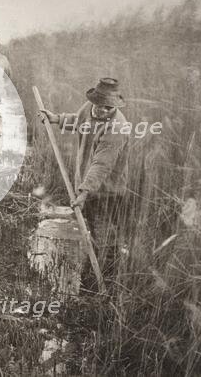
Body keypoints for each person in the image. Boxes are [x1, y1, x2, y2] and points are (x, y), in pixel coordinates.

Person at [39, 78, 130, 272]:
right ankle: (94, 271)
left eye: (108, 108)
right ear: (95, 100)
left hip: (107, 190)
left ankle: (104, 280)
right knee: (93, 231)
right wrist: (57, 118)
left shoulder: (117, 127)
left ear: (114, 106)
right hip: (87, 185)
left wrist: (84, 192)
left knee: (105, 238)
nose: (103, 110)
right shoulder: (89, 108)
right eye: (100, 106)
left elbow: (101, 165)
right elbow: (79, 121)